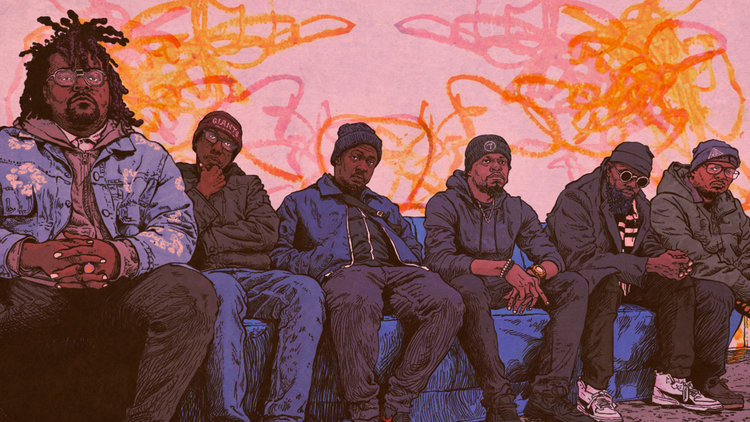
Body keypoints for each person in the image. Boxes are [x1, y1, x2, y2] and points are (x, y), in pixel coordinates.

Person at [0, 10, 218, 421]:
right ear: (44, 90)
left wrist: (120, 255)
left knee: (192, 292)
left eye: (93, 76)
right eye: (65, 76)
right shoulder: (6, 149)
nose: (81, 84)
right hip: (30, 289)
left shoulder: (148, 156)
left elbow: (179, 229)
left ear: (110, 89)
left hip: (119, 291)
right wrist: (28, 254)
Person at [271, 122, 464, 422]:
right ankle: (365, 411)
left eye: (371, 161)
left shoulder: (383, 205)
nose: (363, 167)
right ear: (337, 159)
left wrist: (412, 261)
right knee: (357, 299)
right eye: (356, 157)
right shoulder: (300, 202)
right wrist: (322, 259)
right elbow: (278, 254)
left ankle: (398, 400)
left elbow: (412, 243)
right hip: (347, 273)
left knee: (449, 301)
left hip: (398, 273)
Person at [546, 141, 740, 420]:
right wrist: (648, 264)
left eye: (641, 180)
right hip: (584, 280)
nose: (632, 185)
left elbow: (646, 242)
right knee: (606, 285)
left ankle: (672, 380)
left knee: (678, 282)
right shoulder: (577, 198)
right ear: (609, 169)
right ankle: (593, 388)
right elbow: (581, 257)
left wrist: (666, 258)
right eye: (626, 175)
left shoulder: (638, 203)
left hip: (628, 278)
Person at [424, 134, 591, 422]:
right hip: (465, 284)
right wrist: (503, 268)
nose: (496, 167)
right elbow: (439, 260)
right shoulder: (444, 203)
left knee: (573, 284)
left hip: (503, 287)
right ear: (470, 169)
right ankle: (499, 402)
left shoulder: (517, 208)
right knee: (468, 287)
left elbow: (553, 257)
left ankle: (548, 397)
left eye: (502, 162)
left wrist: (534, 275)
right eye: (486, 161)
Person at [177, 111, 325, 422]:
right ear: (197, 140)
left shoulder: (248, 185)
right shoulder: (175, 179)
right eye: (212, 137)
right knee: (225, 291)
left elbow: (267, 232)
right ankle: (227, 415)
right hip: (203, 276)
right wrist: (202, 193)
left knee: (306, 290)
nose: (218, 148)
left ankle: (285, 415)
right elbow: (176, 232)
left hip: (255, 277)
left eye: (228, 143)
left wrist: (208, 240)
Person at [650, 139, 749, 401]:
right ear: (695, 170)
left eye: (729, 172)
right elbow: (692, 257)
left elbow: (747, 247)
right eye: (714, 168)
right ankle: (706, 378)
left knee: (724, 288)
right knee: (717, 293)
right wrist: (743, 287)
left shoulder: (730, 206)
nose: (723, 177)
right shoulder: (666, 203)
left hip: (723, 277)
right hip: (678, 279)